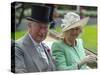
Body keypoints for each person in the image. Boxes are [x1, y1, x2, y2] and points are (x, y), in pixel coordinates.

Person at [14, 5, 55, 73]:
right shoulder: (17, 47)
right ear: (29, 26)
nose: (43, 32)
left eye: (45, 27)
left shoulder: (46, 47)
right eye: (40, 27)